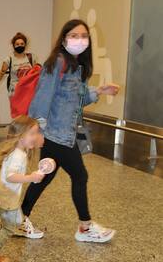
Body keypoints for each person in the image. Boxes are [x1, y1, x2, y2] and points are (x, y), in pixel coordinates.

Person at [21, 19, 120, 243]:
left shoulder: (76, 65)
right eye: (74, 35)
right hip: (55, 134)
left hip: (65, 133)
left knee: (44, 177)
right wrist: (38, 131)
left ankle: (19, 218)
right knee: (80, 175)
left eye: (84, 36)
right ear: (64, 39)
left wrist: (99, 91)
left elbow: (75, 100)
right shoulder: (58, 62)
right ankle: (85, 227)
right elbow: (43, 96)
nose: (80, 40)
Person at [0, 116, 45, 262]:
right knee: (11, 227)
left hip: (3, 196)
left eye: (36, 133)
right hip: (8, 198)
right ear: (20, 136)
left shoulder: (18, 151)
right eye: (32, 133)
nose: (35, 137)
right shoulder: (17, 155)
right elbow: (11, 177)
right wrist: (31, 177)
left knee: (14, 221)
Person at [0, 32, 39, 101]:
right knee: (18, 111)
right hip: (15, 92)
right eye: (17, 44)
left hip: (28, 92)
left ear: (25, 45)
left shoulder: (31, 57)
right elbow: (0, 74)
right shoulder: (9, 59)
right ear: (13, 46)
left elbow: (38, 74)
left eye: (22, 44)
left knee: (28, 111)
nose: (19, 46)